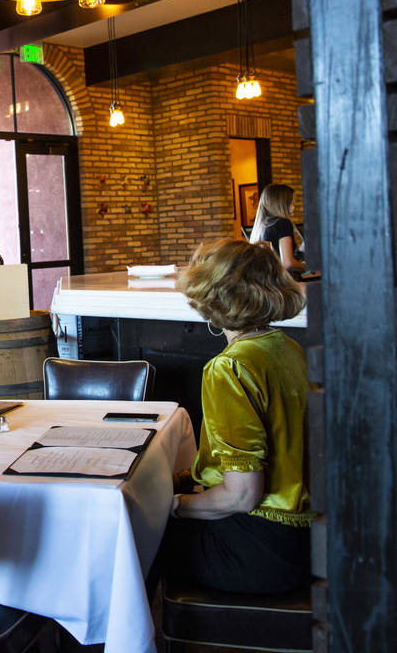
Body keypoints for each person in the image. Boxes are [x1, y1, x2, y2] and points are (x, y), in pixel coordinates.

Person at [164, 237, 312, 593]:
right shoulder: (287, 348)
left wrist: (172, 506)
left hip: (261, 549)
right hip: (307, 540)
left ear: (210, 297)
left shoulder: (228, 367)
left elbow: (242, 496)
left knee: (143, 540)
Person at [248, 183, 305, 276]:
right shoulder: (283, 223)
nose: (294, 207)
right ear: (281, 203)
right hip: (281, 281)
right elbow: (288, 263)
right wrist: (308, 267)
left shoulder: (261, 225)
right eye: (291, 202)